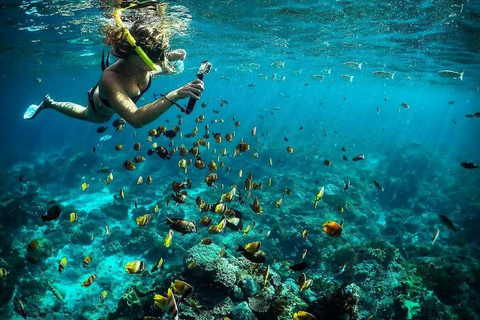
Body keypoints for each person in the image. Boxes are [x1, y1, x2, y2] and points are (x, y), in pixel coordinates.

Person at [24, 2, 204, 129]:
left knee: (157, 71)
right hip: (99, 109)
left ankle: (50, 104)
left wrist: (170, 56)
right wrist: (177, 94)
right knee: (85, 114)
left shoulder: (142, 64)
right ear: (138, 56)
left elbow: (155, 69)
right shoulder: (111, 79)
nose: (161, 60)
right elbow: (135, 119)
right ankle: (50, 104)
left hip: (130, 77)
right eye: (157, 57)